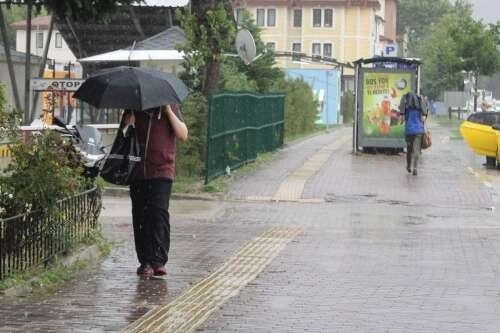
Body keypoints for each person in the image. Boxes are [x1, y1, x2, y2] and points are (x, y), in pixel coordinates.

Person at [124, 104, 188, 278]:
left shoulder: (170, 108)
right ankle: (145, 261)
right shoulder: (133, 108)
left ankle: (158, 261)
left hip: (162, 169)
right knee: (140, 216)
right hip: (137, 171)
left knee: (159, 213)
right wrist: (128, 122)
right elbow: (123, 134)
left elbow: (183, 134)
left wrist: (168, 111)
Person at [399, 92, 427, 176]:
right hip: (418, 131)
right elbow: (423, 119)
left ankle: (408, 166)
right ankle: (415, 168)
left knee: (409, 150)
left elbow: (402, 119)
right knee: (416, 150)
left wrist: (403, 118)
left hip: (409, 131)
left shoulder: (406, 108)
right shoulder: (421, 108)